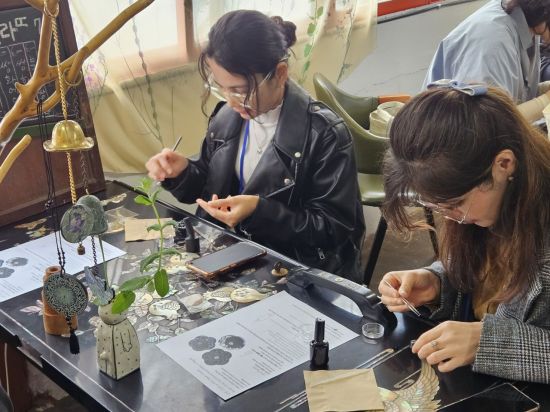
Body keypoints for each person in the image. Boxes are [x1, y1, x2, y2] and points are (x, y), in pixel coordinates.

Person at [145, 10, 365, 280]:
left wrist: (259, 211)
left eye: (240, 90)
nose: (231, 101)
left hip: (295, 270)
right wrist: (181, 173)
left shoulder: (325, 134)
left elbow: (333, 229)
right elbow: (211, 191)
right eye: (221, 88)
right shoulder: (227, 117)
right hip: (233, 257)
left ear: (280, 73)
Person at [378, 81, 550, 383]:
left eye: (456, 204)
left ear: (504, 164)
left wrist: (490, 344)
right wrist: (437, 283)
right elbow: (484, 280)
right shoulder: (487, 206)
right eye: (437, 207)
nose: (452, 219)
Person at [423, 0, 550, 104]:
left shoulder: (530, 23)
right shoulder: (494, 43)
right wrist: (543, 101)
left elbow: (515, 94)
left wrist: (543, 90)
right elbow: (491, 121)